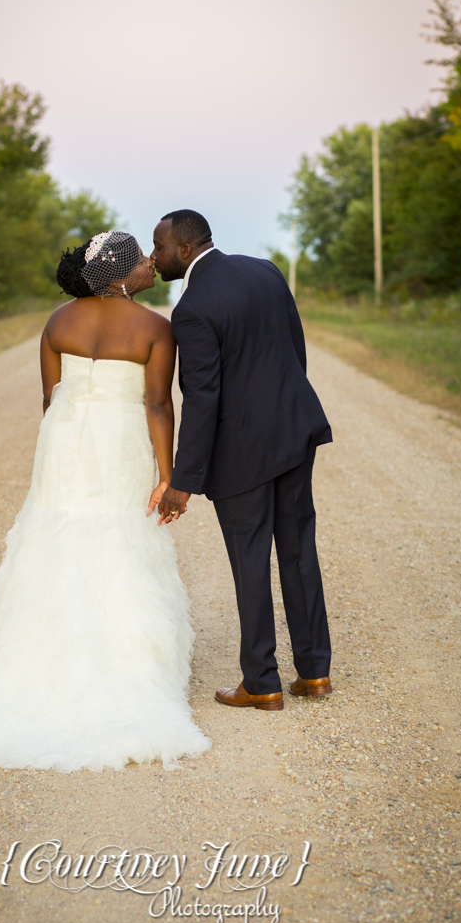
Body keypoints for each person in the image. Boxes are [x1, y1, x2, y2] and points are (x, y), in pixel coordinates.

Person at [0, 231, 210, 771]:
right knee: (121, 539)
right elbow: (160, 404)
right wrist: (169, 476)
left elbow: (50, 399)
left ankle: (35, 667)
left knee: (55, 535)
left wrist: (63, 444)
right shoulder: (155, 328)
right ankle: (124, 672)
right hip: (118, 442)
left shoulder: (57, 322)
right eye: (140, 258)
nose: (149, 265)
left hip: (65, 440)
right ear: (119, 274)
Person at [151, 210, 333, 711]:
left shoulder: (190, 308)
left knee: (251, 561)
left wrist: (182, 481)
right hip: (294, 432)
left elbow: (201, 398)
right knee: (298, 553)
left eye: (159, 246)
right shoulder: (265, 269)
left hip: (242, 454)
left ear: (185, 249)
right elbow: (293, 350)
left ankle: (262, 682)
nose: (154, 256)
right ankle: (315, 673)